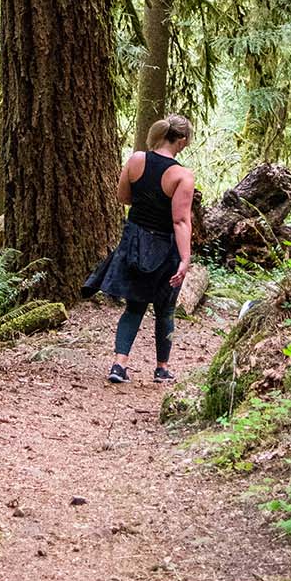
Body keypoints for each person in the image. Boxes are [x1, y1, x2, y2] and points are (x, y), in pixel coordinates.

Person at [88, 114, 194, 385]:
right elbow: (180, 221)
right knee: (165, 309)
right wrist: (185, 259)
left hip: (135, 242)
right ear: (181, 141)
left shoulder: (136, 160)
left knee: (134, 306)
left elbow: (123, 196)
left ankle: (119, 364)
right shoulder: (182, 176)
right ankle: (162, 368)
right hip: (165, 248)